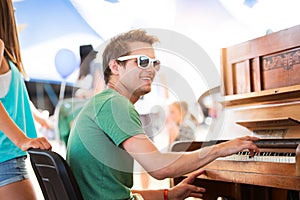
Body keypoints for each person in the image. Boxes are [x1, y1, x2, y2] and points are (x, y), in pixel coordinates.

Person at [66, 29, 260, 200]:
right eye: (142, 62)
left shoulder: (104, 103)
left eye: (154, 63)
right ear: (115, 66)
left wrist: (167, 195)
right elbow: (160, 168)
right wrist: (219, 149)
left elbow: (118, 194)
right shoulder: (114, 105)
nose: (151, 69)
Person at [0, 1, 52, 199]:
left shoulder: (6, 54)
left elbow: (13, 97)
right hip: (6, 160)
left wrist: (39, 119)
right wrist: (22, 139)